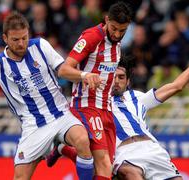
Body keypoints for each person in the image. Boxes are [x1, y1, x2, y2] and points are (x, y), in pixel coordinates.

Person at [0, 12, 94, 180]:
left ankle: (61, 149)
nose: (21, 43)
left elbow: (62, 70)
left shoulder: (41, 45)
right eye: (16, 40)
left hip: (61, 114)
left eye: (24, 38)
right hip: (34, 126)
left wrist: (84, 75)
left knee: (83, 141)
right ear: (5, 38)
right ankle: (59, 147)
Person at [46, 38, 189, 179]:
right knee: (130, 174)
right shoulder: (92, 101)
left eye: (121, 77)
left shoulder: (137, 98)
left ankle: (63, 149)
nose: (117, 81)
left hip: (153, 150)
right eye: (113, 77)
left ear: (128, 82)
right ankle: (64, 148)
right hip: (122, 153)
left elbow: (176, 86)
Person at [57, 2, 133, 179]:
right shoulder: (92, 36)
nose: (117, 34)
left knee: (106, 168)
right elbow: (63, 70)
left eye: (122, 30)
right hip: (87, 104)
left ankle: (64, 149)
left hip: (107, 109)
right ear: (106, 19)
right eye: (113, 28)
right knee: (104, 163)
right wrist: (85, 75)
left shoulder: (117, 44)